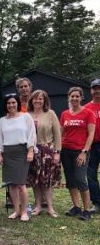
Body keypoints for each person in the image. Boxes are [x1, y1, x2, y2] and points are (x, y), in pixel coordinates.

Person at [0, 93, 36, 222]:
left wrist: (30, 151)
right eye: (8, 103)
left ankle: (24, 211)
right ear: (5, 105)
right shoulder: (2, 120)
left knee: (21, 184)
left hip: (22, 153)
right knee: (11, 185)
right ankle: (16, 210)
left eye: (13, 102)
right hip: (8, 153)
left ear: (18, 103)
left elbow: (32, 135)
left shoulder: (26, 117)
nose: (11, 105)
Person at [60, 87, 95, 220]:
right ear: (68, 97)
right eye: (72, 96)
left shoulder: (88, 113)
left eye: (77, 96)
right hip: (66, 151)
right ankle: (76, 207)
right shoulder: (64, 114)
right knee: (70, 180)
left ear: (81, 97)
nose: (74, 98)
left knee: (81, 179)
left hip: (80, 151)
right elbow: (61, 133)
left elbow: (91, 135)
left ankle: (86, 210)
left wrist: (84, 152)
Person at [26, 90, 61, 218]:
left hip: (48, 152)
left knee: (47, 180)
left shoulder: (50, 113)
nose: (38, 101)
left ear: (45, 101)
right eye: (35, 98)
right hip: (32, 151)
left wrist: (57, 152)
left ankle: (50, 207)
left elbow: (57, 135)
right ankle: (38, 206)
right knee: (36, 180)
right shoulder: (26, 115)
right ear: (31, 100)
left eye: (41, 99)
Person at [84, 79, 100, 213]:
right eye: (95, 89)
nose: (97, 91)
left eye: (99, 88)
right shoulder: (86, 108)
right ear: (91, 91)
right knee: (91, 174)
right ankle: (97, 203)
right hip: (92, 145)